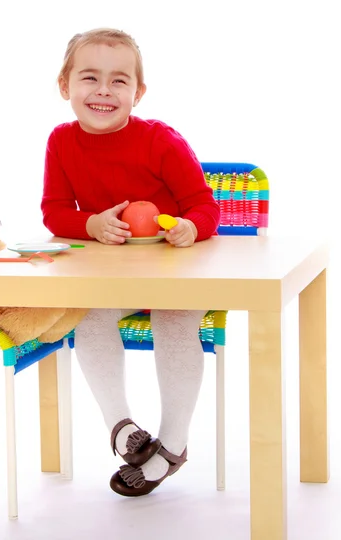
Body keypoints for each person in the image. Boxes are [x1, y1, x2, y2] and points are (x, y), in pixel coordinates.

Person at [41, 28, 221, 497]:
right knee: (90, 314)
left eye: (119, 81)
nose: (103, 90)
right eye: (89, 77)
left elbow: (205, 205)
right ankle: (121, 427)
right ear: (65, 86)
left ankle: (174, 445)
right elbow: (54, 211)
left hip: (173, 280)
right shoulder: (61, 142)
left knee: (176, 318)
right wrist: (91, 225)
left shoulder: (160, 141)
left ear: (137, 93)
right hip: (112, 283)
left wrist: (190, 227)